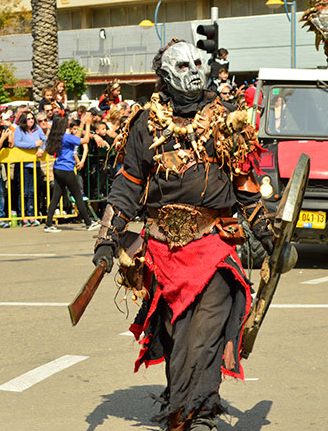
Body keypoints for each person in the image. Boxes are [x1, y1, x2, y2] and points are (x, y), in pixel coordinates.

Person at [92, 39, 274, 431]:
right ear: (166, 73)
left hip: (213, 245)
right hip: (162, 250)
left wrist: (265, 229)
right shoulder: (144, 122)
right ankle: (187, 401)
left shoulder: (227, 117)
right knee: (176, 334)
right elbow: (127, 184)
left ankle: (193, 410)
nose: (193, 69)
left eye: (198, 61)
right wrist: (107, 238)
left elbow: (245, 181)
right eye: (183, 64)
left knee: (205, 333)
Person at [43, 113, 100, 233]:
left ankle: (48, 224)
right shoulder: (66, 137)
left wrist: (82, 124)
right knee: (78, 196)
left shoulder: (57, 136)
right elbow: (85, 140)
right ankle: (88, 223)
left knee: (55, 197)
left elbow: (76, 139)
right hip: (67, 170)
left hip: (58, 168)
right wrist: (88, 125)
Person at [13, 110, 46, 226]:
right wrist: (34, 145)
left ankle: (31, 215)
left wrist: (42, 148)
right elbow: (17, 143)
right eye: (28, 119)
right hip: (23, 165)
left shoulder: (37, 128)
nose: (31, 120)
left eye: (32, 118)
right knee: (24, 192)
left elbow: (44, 140)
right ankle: (23, 216)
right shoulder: (19, 129)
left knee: (32, 191)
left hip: (35, 164)